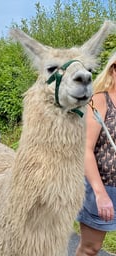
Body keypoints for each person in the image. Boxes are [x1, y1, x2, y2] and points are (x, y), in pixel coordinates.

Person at [76, 52, 116, 256]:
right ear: (112, 70)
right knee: (91, 249)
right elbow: (85, 149)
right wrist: (100, 194)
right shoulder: (100, 101)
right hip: (103, 187)